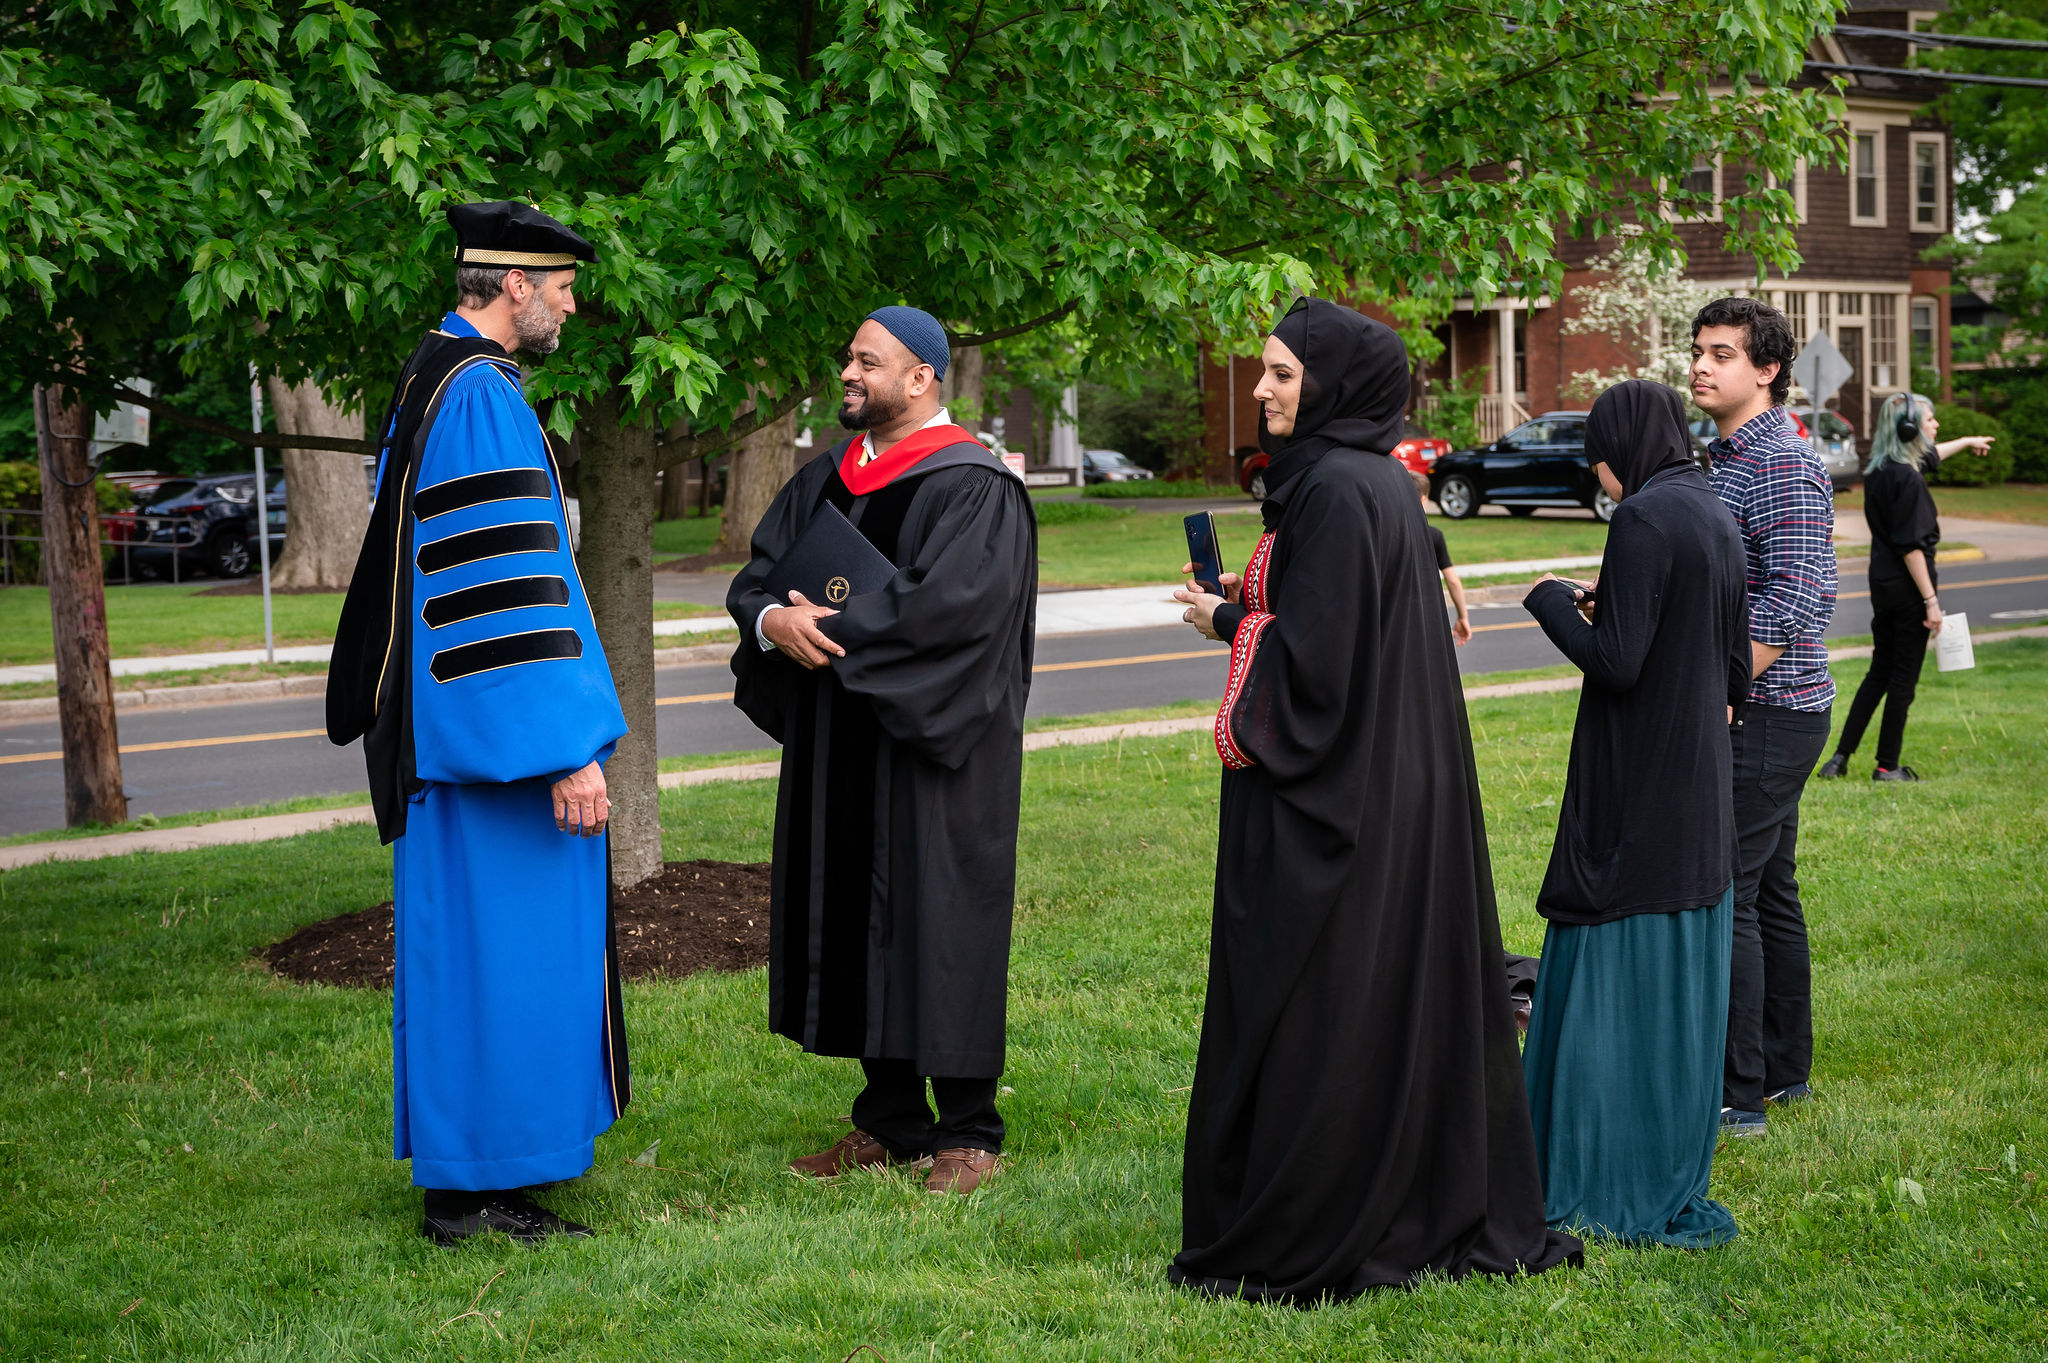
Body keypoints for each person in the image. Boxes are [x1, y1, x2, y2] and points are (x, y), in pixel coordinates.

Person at [1168, 297, 1580, 1302]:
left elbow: (1317, 668)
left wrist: (1221, 614)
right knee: (1377, 995)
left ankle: (1322, 1211)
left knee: (1322, 1002)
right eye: (1262, 372)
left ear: (1331, 382)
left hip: (1336, 807)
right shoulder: (1374, 486)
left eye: (1278, 374)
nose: (1261, 390)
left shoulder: (1335, 494)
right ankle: (1403, 1184)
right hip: (1388, 789)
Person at [327, 201, 631, 1245]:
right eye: (560, 286)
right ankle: (474, 1190)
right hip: (494, 752)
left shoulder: (434, 376)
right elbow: (504, 595)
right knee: (503, 956)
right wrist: (563, 752)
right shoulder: (480, 401)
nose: (570, 303)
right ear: (513, 285)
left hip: (449, 736)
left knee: (475, 955)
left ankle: (477, 1175)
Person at [726, 305, 1037, 1196]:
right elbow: (757, 579)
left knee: (940, 922)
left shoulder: (974, 485)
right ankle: (892, 1120)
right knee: (864, 922)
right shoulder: (828, 475)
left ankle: (970, 1128)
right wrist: (771, 618)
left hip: (936, 747)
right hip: (844, 742)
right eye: (848, 358)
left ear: (921, 378)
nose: (849, 373)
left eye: (868, 361)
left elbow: (953, 615)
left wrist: (827, 626)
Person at [1519, 380, 1751, 1248]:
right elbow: (1731, 671)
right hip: (1700, 799)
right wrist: (1608, 596)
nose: (1602, 482)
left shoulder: (1647, 518)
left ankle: (1595, 1169)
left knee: (1610, 981)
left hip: (1639, 797)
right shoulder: (1710, 511)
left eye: (1599, 466)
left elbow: (1617, 663)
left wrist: (1548, 600)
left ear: (1619, 449)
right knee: (1673, 1001)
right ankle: (1663, 1153)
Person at [1689, 296, 1837, 1138]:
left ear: (1767, 368)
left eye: (1722, 354)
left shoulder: (1781, 460)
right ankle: (1783, 1073)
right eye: (1699, 351)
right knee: (1772, 888)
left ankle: (1736, 1093)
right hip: (1761, 706)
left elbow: (1793, 603)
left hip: (1770, 711)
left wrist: (1719, 692)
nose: (1703, 366)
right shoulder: (1729, 458)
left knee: (1732, 890)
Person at [1817, 393, 1994, 782]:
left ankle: (1840, 758)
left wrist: (1967, 443)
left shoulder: (1882, 471)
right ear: (1909, 428)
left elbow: (1931, 455)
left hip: (1882, 584)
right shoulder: (1909, 481)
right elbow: (1913, 547)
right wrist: (1931, 601)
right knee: (1903, 679)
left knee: (1879, 671)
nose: (1936, 426)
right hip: (1910, 589)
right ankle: (1887, 766)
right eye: (1930, 420)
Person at [1411, 468, 1472, 644]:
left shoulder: (1386, 533)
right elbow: (1452, 580)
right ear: (1423, 499)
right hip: (1428, 615)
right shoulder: (1433, 536)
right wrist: (1463, 616)